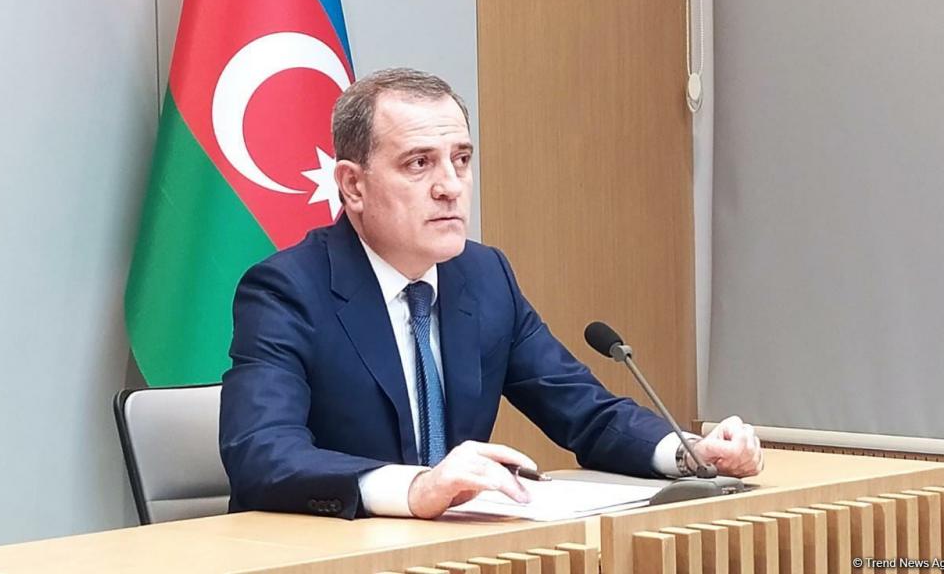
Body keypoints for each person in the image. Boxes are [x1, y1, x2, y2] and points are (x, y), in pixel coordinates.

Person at [220, 68, 762, 520]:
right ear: (353, 185)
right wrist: (414, 489)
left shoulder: (483, 276)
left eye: (461, 159)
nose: (450, 186)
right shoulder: (288, 291)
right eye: (419, 163)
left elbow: (585, 412)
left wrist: (689, 454)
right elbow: (262, 453)